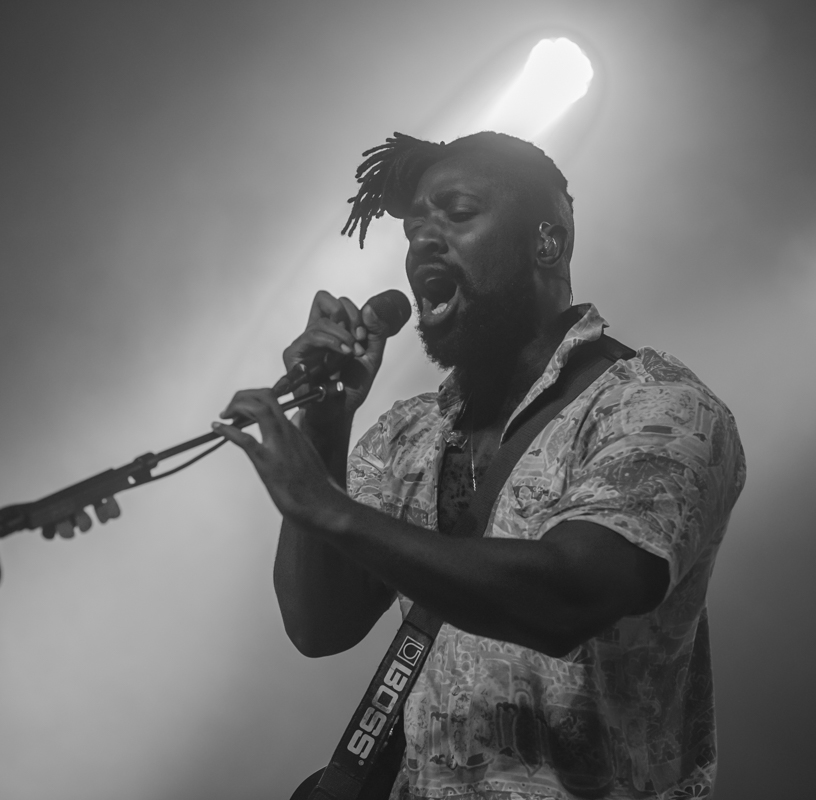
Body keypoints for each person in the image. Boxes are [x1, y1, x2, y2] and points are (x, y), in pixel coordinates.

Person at [212, 131, 745, 800]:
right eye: (413, 230)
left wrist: (332, 508)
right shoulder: (409, 433)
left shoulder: (659, 407)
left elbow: (567, 597)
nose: (424, 241)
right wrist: (327, 421)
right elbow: (320, 625)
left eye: (458, 213)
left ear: (546, 242)